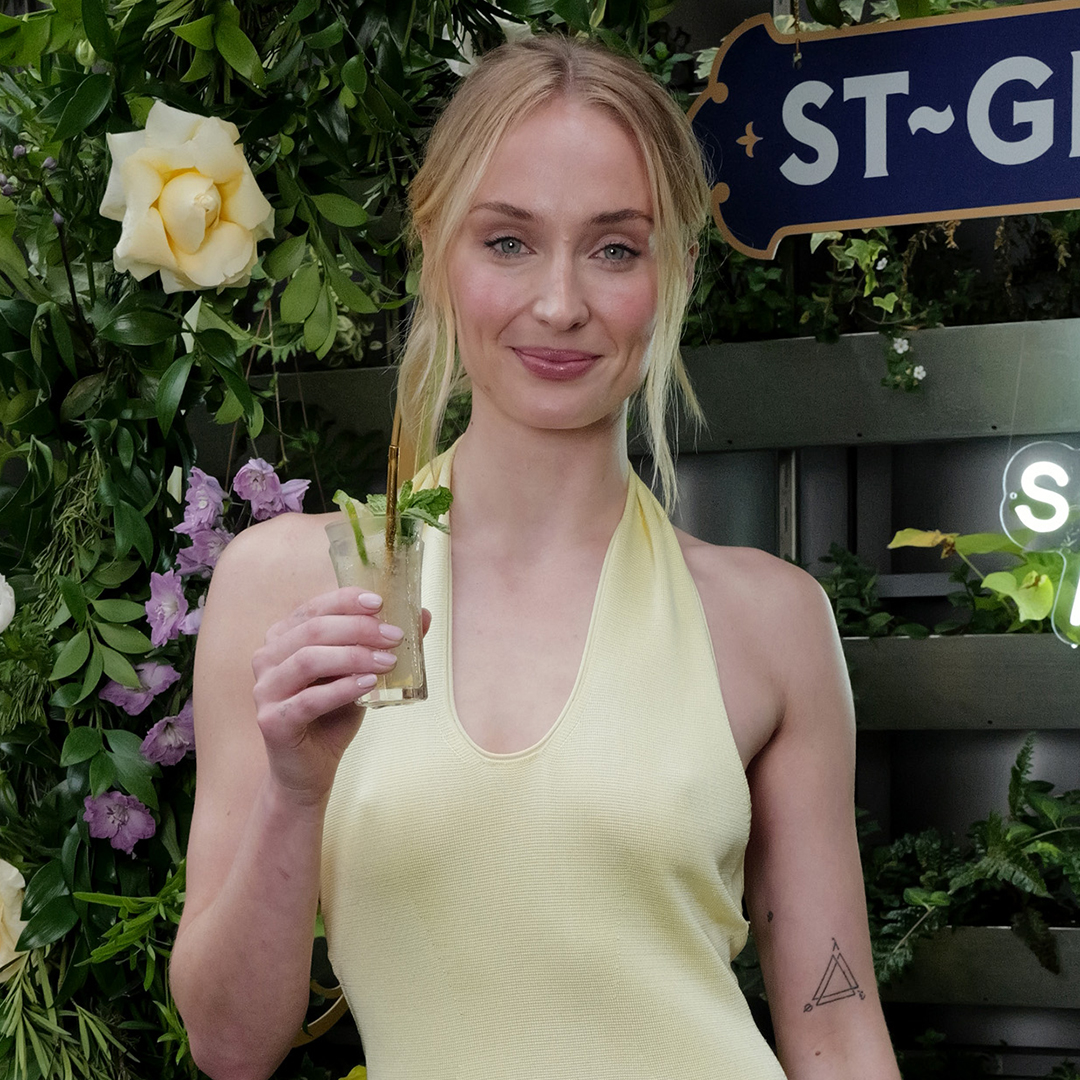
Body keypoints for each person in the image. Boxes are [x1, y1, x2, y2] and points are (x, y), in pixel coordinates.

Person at [170, 34, 902, 1080]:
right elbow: (229, 1046)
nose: (560, 303)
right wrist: (293, 792)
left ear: (676, 270)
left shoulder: (768, 621)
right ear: (437, 251)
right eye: (509, 241)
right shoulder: (297, 586)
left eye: (615, 249)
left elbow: (836, 1031)